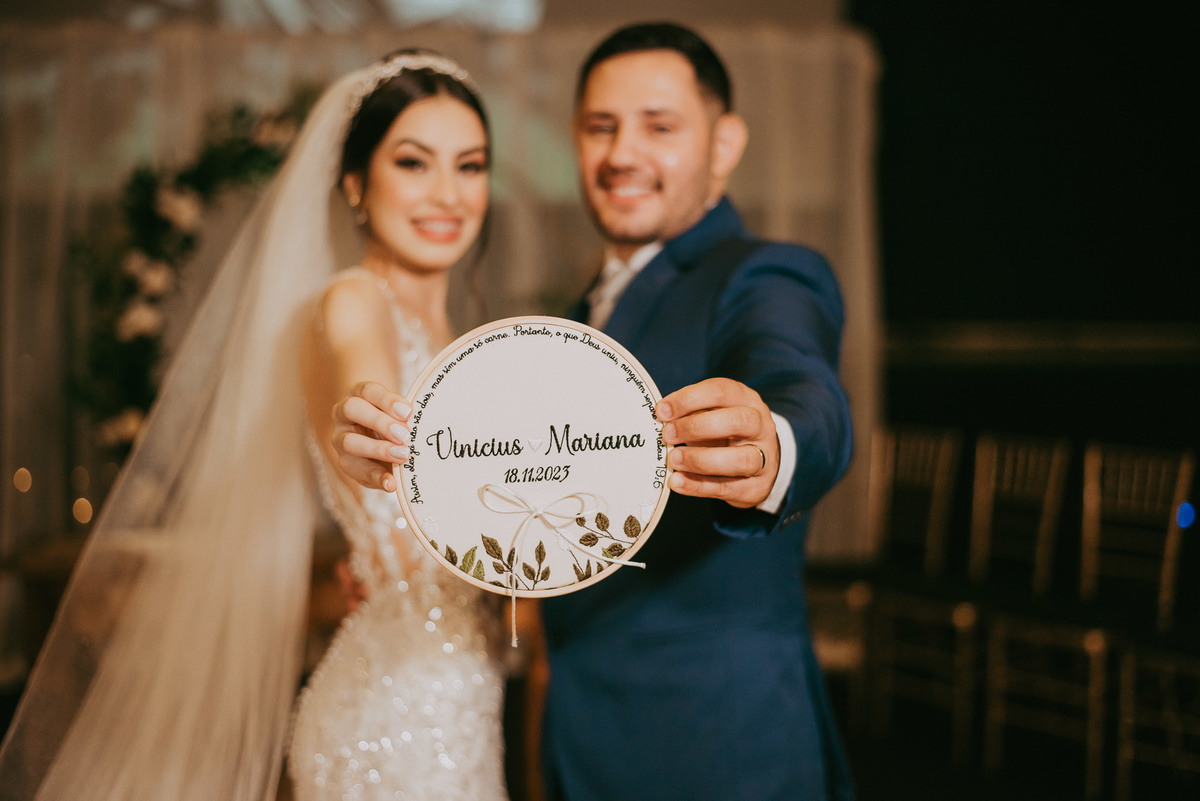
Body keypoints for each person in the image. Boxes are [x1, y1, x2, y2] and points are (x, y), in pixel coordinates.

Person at [330, 21, 854, 801]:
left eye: (660, 126)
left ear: (725, 143)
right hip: (570, 740)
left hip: (719, 747)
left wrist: (773, 445)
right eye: (600, 127)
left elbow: (806, 391)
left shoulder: (765, 275)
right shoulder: (571, 327)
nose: (622, 154)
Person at [0, 50, 510, 801]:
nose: (447, 194)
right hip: (397, 720)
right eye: (413, 162)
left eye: (470, 166)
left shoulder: (451, 325)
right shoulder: (353, 303)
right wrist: (364, 423)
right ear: (354, 184)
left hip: (460, 692)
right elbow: (361, 388)